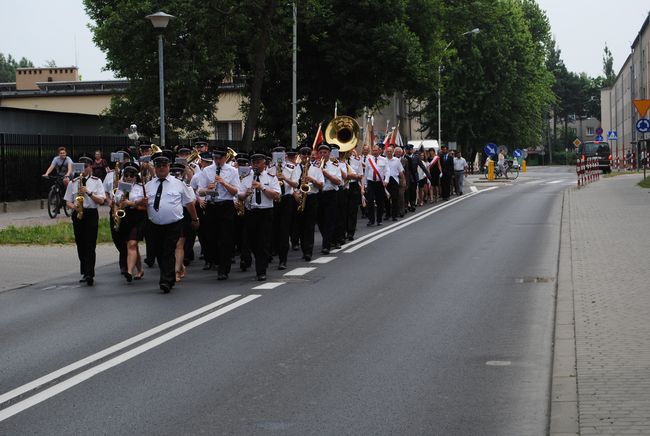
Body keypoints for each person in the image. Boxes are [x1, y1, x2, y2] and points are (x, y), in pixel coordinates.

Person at [144, 150, 199, 293]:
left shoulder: (178, 184)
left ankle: (166, 280)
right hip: (154, 224)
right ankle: (169, 276)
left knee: (168, 251)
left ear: (169, 166)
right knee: (158, 252)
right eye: (158, 166)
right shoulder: (148, 185)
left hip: (173, 224)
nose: (161, 168)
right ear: (155, 168)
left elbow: (189, 204)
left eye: (164, 165)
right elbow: (143, 205)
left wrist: (194, 219)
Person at [196, 146, 241, 280]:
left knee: (226, 239)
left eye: (219, 158)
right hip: (212, 206)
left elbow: (236, 191)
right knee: (211, 238)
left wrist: (224, 183)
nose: (216, 161)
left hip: (226, 206)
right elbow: (199, 191)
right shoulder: (207, 170)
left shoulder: (232, 171)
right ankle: (216, 260)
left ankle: (224, 269)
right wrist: (207, 189)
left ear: (225, 158)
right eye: (214, 158)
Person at [64, 155, 106, 286]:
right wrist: (73, 206)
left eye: (85, 167)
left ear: (90, 167)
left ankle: (89, 273)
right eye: (81, 167)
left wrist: (88, 192)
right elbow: (67, 201)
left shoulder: (96, 181)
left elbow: (102, 200)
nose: (83, 169)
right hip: (78, 214)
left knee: (90, 244)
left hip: (91, 213)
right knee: (80, 244)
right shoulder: (73, 182)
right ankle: (84, 271)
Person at [240, 153, 281, 281]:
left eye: (258, 163)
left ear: (264, 164)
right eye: (254, 163)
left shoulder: (271, 177)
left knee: (263, 242)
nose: (256, 165)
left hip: (265, 212)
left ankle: (261, 270)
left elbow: (276, 196)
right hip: (251, 212)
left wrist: (262, 187)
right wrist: (245, 194)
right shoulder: (246, 178)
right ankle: (260, 261)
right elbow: (239, 196)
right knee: (252, 241)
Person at [113, 162, 147, 282]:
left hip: (138, 217)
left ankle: (128, 271)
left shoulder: (141, 187)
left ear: (135, 176)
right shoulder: (121, 187)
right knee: (133, 245)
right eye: (126, 174)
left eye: (131, 175)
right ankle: (140, 269)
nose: (128, 177)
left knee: (132, 244)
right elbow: (116, 202)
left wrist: (132, 203)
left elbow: (145, 202)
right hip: (125, 218)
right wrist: (119, 206)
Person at [294, 146, 324, 261]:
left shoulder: (316, 169)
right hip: (299, 198)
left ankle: (308, 251)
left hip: (312, 198)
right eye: (303, 155)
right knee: (300, 225)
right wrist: (295, 194)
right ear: (300, 156)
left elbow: (321, 185)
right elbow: (292, 184)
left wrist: (313, 180)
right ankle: (304, 248)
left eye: (308, 155)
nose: (306, 157)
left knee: (310, 225)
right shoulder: (295, 168)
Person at [317, 144, 342, 254]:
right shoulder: (314, 165)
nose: (323, 154)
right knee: (320, 220)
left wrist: (325, 173)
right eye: (321, 152)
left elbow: (338, 182)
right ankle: (331, 239)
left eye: (325, 152)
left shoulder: (335, 165)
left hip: (331, 194)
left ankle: (326, 245)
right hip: (319, 194)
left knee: (330, 220)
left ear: (329, 154)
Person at [363, 144, 390, 226]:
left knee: (380, 201)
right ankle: (371, 220)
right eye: (373, 150)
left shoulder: (384, 160)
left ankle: (379, 219)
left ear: (379, 151)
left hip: (380, 183)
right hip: (371, 182)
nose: (374, 152)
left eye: (376, 150)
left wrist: (386, 180)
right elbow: (366, 172)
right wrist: (365, 184)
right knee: (370, 201)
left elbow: (387, 171)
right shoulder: (369, 159)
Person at [385, 146, 405, 221]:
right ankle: (387, 214)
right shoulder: (383, 160)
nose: (389, 153)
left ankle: (394, 215)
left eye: (390, 151)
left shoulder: (396, 160)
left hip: (394, 181)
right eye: (388, 151)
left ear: (393, 152)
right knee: (386, 199)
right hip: (386, 181)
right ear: (386, 152)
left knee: (394, 198)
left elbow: (401, 172)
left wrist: (403, 181)